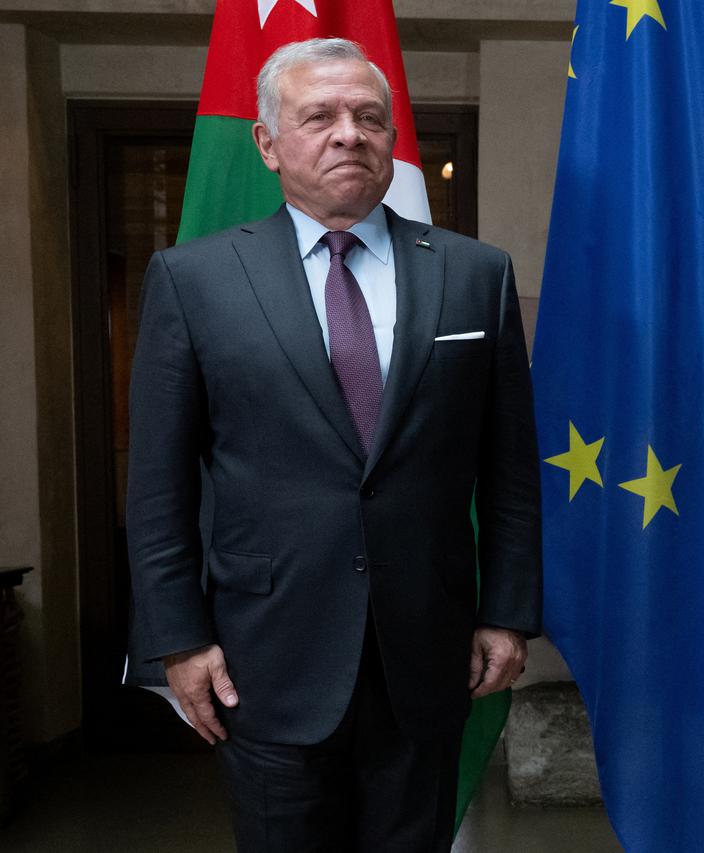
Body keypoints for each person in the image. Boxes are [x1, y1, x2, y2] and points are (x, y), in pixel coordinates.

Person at [126, 38, 541, 852]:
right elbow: (158, 485)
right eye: (320, 115)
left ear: (391, 140)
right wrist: (178, 639)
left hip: (428, 649)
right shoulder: (193, 279)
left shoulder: (475, 275)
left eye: (369, 118)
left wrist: (509, 611)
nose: (349, 133)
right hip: (262, 658)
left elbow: (511, 466)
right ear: (268, 144)